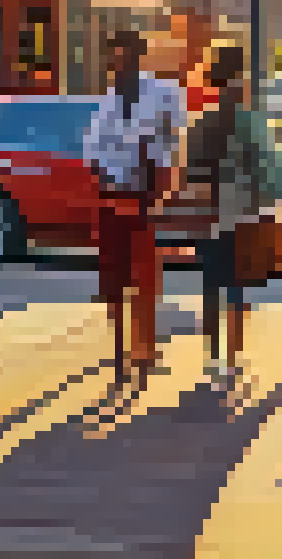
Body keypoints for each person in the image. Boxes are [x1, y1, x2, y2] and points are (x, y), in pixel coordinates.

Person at [82, 28, 188, 382]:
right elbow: (92, 151)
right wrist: (102, 177)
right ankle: (118, 346)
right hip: (112, 197)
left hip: (146, 197)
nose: (118, 60)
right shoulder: (107, 102)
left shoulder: (163, 92)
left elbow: (174, 141)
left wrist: (162, 189)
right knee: (113, 278)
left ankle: (144, 348)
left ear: (138, 54)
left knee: (144, 278)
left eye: (124, 52)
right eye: (113, 54)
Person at [165, 46, 262, 382]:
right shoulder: (250, 121)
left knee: (211, 284)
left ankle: (213, 355)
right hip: (241, 212)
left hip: (208, 212)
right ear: (240, 78)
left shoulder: (201, 122)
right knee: (236, 287)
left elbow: (189, 171)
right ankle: (232, 359)